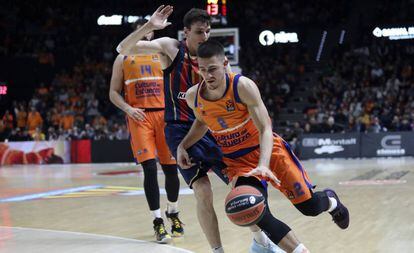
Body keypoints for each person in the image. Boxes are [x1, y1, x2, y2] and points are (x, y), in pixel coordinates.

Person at [117, 6, 281, 253]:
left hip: (210, 129)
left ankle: (261, 240)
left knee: (242, 186)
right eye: (199, 32)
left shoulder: (214, 60)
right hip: (179, 130)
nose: (204, 36)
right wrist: (150, 26)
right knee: (203, 190)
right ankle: (217, 250)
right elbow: (123, 49)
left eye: (207, 31)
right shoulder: (171, 48)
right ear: (186, 33)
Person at [176, 40, 350, 252]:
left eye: (212, 69)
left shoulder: (243, 87)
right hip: (238, 162)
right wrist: (183, 145)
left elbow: (265, 128)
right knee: (254, 211)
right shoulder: (194, 96)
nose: (208, 75)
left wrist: (264, 164)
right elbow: (203, 122)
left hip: (270, 152)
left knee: (310, 207)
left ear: (224, 64)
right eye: (202, 70)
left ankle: (331, 200)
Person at [110, 19, 183, 244]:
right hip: (139, 116)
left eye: (150, 31)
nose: (146, 35)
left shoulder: (162, 53)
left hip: (165, 115)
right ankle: (158, 221)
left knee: (171, 170)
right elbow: (113, 92)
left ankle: (173, 212)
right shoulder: (122, 58)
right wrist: (128, 108)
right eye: (143, 31)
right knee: (149, 169)